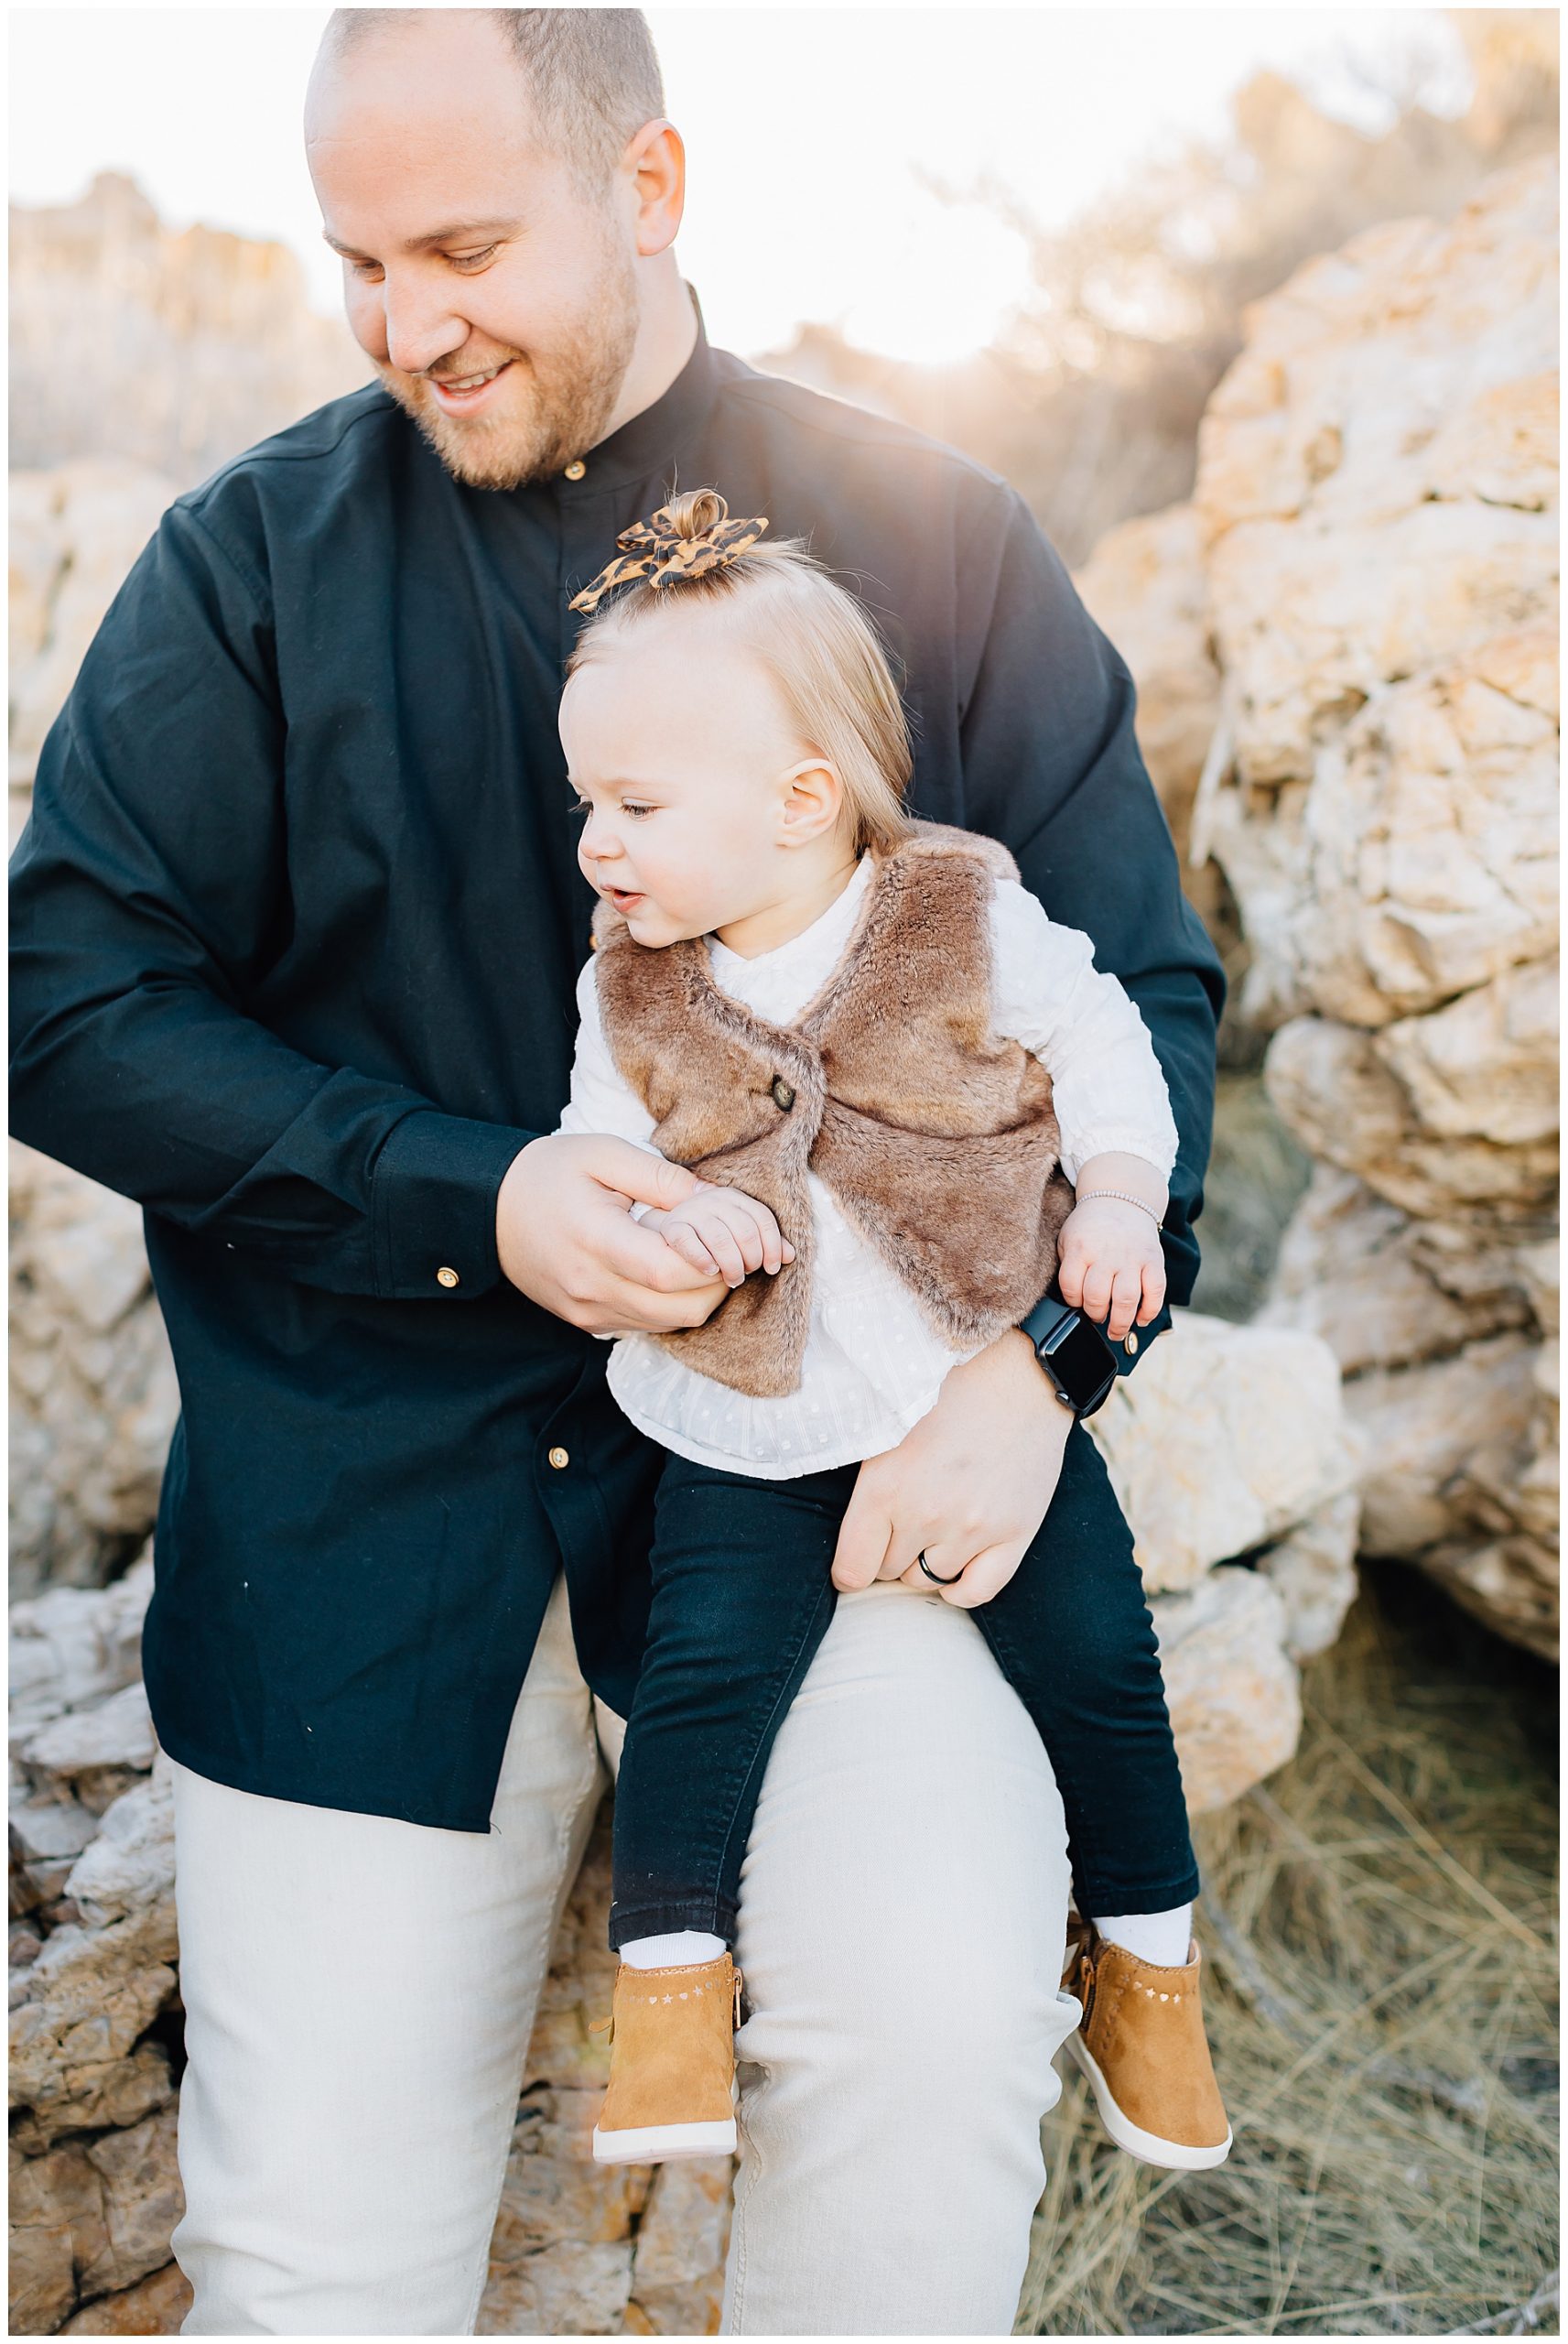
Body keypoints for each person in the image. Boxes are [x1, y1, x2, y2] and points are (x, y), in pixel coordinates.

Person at [8, 9, 1224, 2334]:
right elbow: (60, 995)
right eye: (355, 260)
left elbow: (1138, 1002)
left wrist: (1042, 1374)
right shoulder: (248, 562)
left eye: (464, 245)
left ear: (648, 188)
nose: (406, 322)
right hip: (364, 1533)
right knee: (309, 2265)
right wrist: (474, 1194)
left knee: (934, 2043)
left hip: (842, 1481)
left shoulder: (939, 537)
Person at [553, 490, 1229, 2176]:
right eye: (587, 805)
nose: (597, 847)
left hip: (961, 1360)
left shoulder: (954, 910)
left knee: (1096, 1656)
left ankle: (1147, 1965)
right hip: (749, 1392)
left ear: (799, 804)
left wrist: (1124, 1199)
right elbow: (595, 1140)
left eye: (633, 806)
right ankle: (672, 2004)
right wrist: (651, 1203)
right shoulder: (627, 981)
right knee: (704, 1674)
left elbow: (1101, 1041)